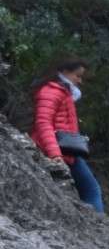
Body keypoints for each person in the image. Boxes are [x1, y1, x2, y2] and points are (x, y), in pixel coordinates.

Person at [30, 58, 104, 213]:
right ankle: (97, 228)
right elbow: (43, 123)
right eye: (77, 75)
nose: (80, 80)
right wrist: (54, 153)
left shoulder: (62, 92)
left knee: (91, 189)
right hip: (59, 151)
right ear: (64, 72)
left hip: (66, 151)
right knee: (91, 190)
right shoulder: (52, 91)